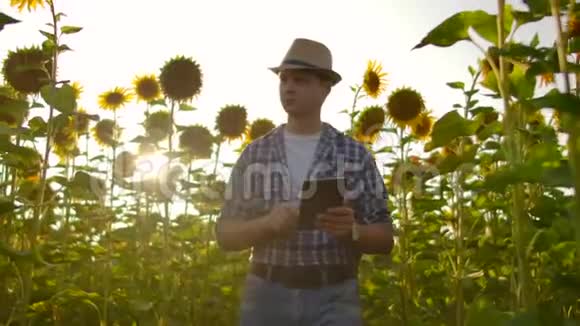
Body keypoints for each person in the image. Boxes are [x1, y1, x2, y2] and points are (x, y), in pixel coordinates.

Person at [215, 38, 394, 326]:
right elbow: (225, 234)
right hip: (266, 297)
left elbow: (386, 237)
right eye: (284, 79)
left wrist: (354, 231)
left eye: (300, 80)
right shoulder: (256, 153)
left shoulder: (354, 154)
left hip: (334, 297)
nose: (288, 87)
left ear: (325, 88)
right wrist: (267, 224)